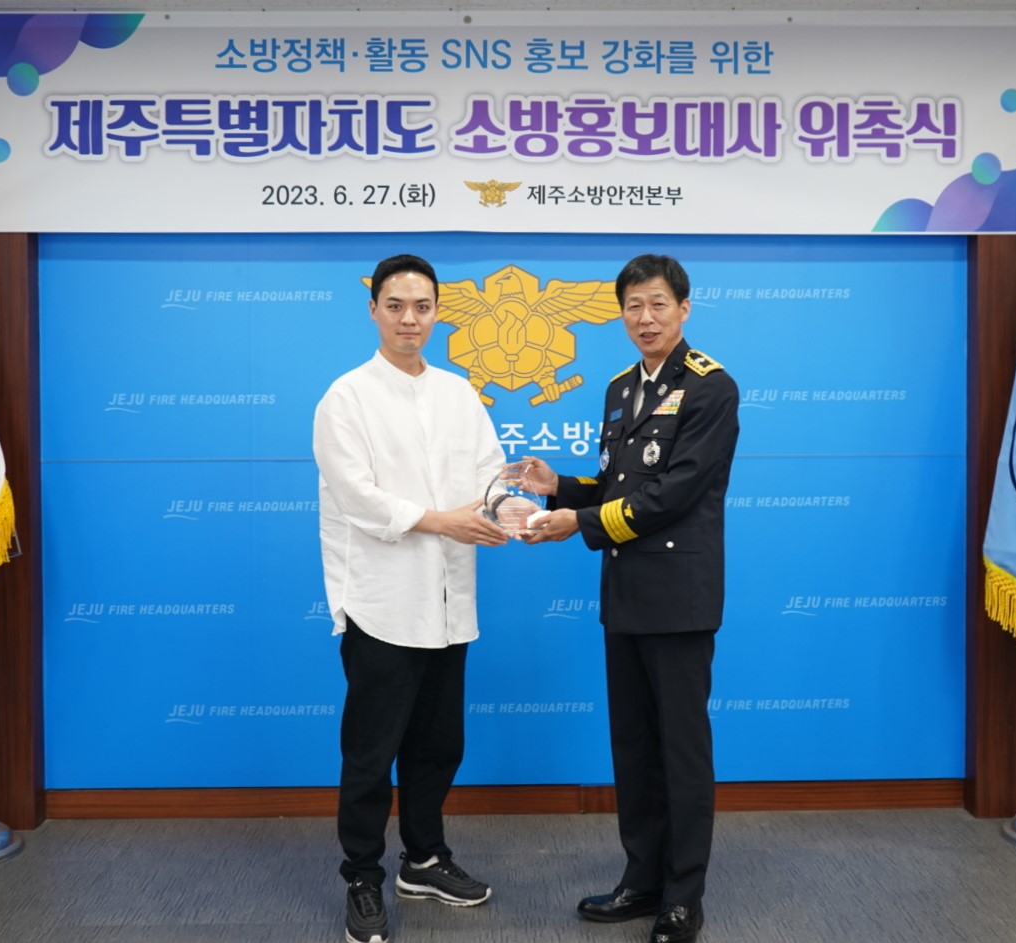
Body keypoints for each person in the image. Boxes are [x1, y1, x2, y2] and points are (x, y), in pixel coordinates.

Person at [517, 254, 739, 943]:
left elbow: (673, 493)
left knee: (681, 752)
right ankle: (642, 880)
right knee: (635, 748)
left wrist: (577, 523)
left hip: (679, 599)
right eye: (634, 306)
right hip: (626, 595)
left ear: (684, 309)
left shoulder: (711, 387)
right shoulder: (620, 388)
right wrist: (559, 487)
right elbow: (621, 483)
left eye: (658, 304)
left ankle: (683, 897)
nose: (646, 318)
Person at [313, 254, 509, 943]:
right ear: (373, 309)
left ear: (437, 312)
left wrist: (514, 511)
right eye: (395, 305)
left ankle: (423, 859)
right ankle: (362, 878)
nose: (409, 319)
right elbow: (358, 498)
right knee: (371, 754)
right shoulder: (346, 398)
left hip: (450, 601)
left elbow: (490, 476)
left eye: (422, 306)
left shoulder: (459, 393)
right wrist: (441, 520)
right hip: (383, 602)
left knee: (438, 745)